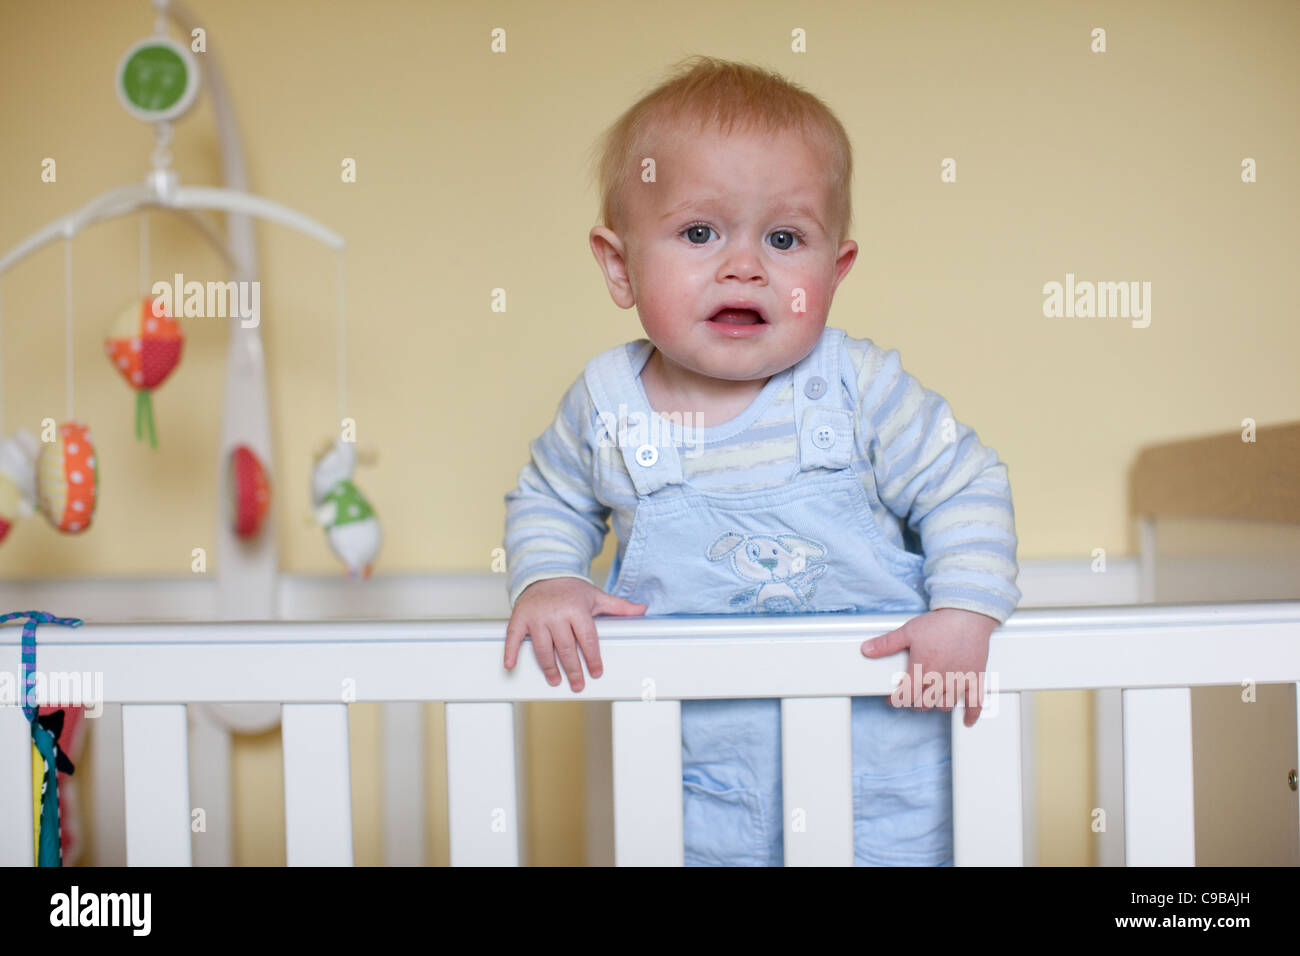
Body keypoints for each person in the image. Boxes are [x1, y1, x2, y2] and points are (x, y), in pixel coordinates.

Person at [502, 55, 1021, 866]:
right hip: (692, 778)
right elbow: (549, 498)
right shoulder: (607, 404)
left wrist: (964, 609)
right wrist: (549, 578)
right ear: (619, 264)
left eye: (784, 238)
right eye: (699, 232)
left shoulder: (858, 389)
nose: (744, 266)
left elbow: (966, 482)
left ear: (834, 271)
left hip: (889, 773)